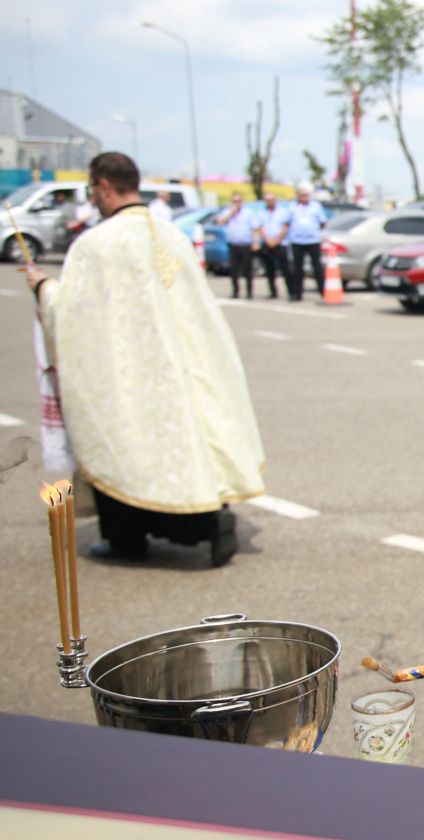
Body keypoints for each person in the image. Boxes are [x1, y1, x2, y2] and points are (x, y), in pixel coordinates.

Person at [23, 151, 264, 567]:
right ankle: (208, 523)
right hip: (183, 368)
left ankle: (127, 540)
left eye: (91, 190)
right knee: (184, 451)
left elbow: (73, 312)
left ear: (102, 186)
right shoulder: (171, 235)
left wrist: (44, 286)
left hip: (129, 373)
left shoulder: (96, 244)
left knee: (128, 451)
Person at [285, 182, 329, 301]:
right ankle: (297, 293)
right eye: (301, 195)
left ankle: (322, 291)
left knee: (317, 267)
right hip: (297, 240)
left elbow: (322, 223)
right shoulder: (292, 207)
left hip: (312, 240)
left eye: (305, 195)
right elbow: (287, 223)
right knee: (297, 268)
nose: (303, 197)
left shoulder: (316, 206)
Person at [218, 191, 258, 300]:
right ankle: (235, 291)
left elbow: (254, 228)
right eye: (234, 201)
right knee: (234, 270)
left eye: (239, 201)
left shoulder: (249, 213)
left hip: (246, 244)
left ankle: (249, 292)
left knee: (248, 270)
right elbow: (220, 222)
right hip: (233, 244)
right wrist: (231, 212)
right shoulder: (228, 212)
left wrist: (255, 242)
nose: (237, 203)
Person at [256, 190, 291, 300]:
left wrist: (276, 240)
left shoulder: (283, 212)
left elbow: (285, 227)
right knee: (269, 270)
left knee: (286, 269)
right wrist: (268, 240)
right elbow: (259, 228)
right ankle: (273, 292)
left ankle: (291, 291)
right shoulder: (261, 212)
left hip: (280, 243)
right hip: (267, 243)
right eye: (267, 200)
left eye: (271, 199)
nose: (269, 202)